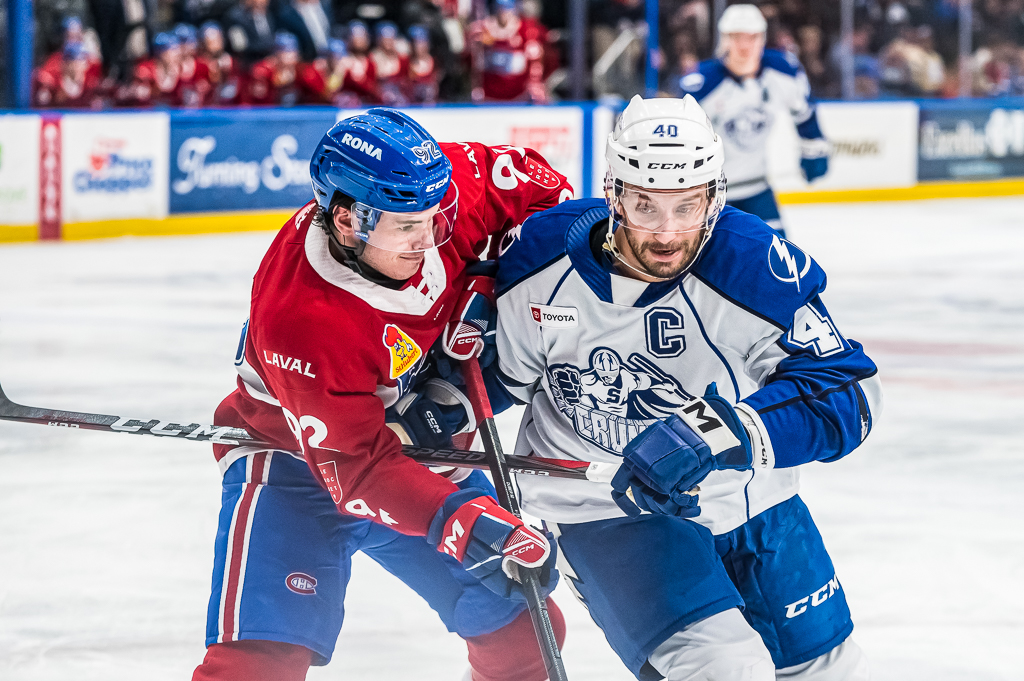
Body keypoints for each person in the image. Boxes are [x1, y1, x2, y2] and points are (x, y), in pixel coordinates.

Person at [491, 95, 880, 679]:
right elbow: (494, 381)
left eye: (688, 205)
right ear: (615, 193)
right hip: (605, 507)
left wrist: (716, 431)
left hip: (754, 500)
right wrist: (430, 407)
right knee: (725, 671)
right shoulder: (541, 260)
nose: (667, 233)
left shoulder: (749, 264)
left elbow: (851, 395)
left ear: (714, 197)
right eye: (645, 205)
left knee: (831, 670)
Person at [191, 108, 576, 681]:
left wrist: (489, 279)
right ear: (347, 222)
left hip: (408, 448)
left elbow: (553, 203)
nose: (430, 242)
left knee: (522, 630)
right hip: (293, 461)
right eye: (406, 228)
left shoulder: (439, 190)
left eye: (435, 220)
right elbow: (359, 469)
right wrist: (463, 520)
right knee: (258, 665)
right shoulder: (303, 316)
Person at [680, 4, 829, 237]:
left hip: (758, 189)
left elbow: (804, 113)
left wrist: (814, 149)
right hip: (711, 195)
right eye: (736, 37)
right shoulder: (701, 85)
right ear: (724, 40)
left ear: (763, 38)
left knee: (777, 263)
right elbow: (681, 140)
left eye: (752, 37)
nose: (744, 45)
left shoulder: (783, 72)